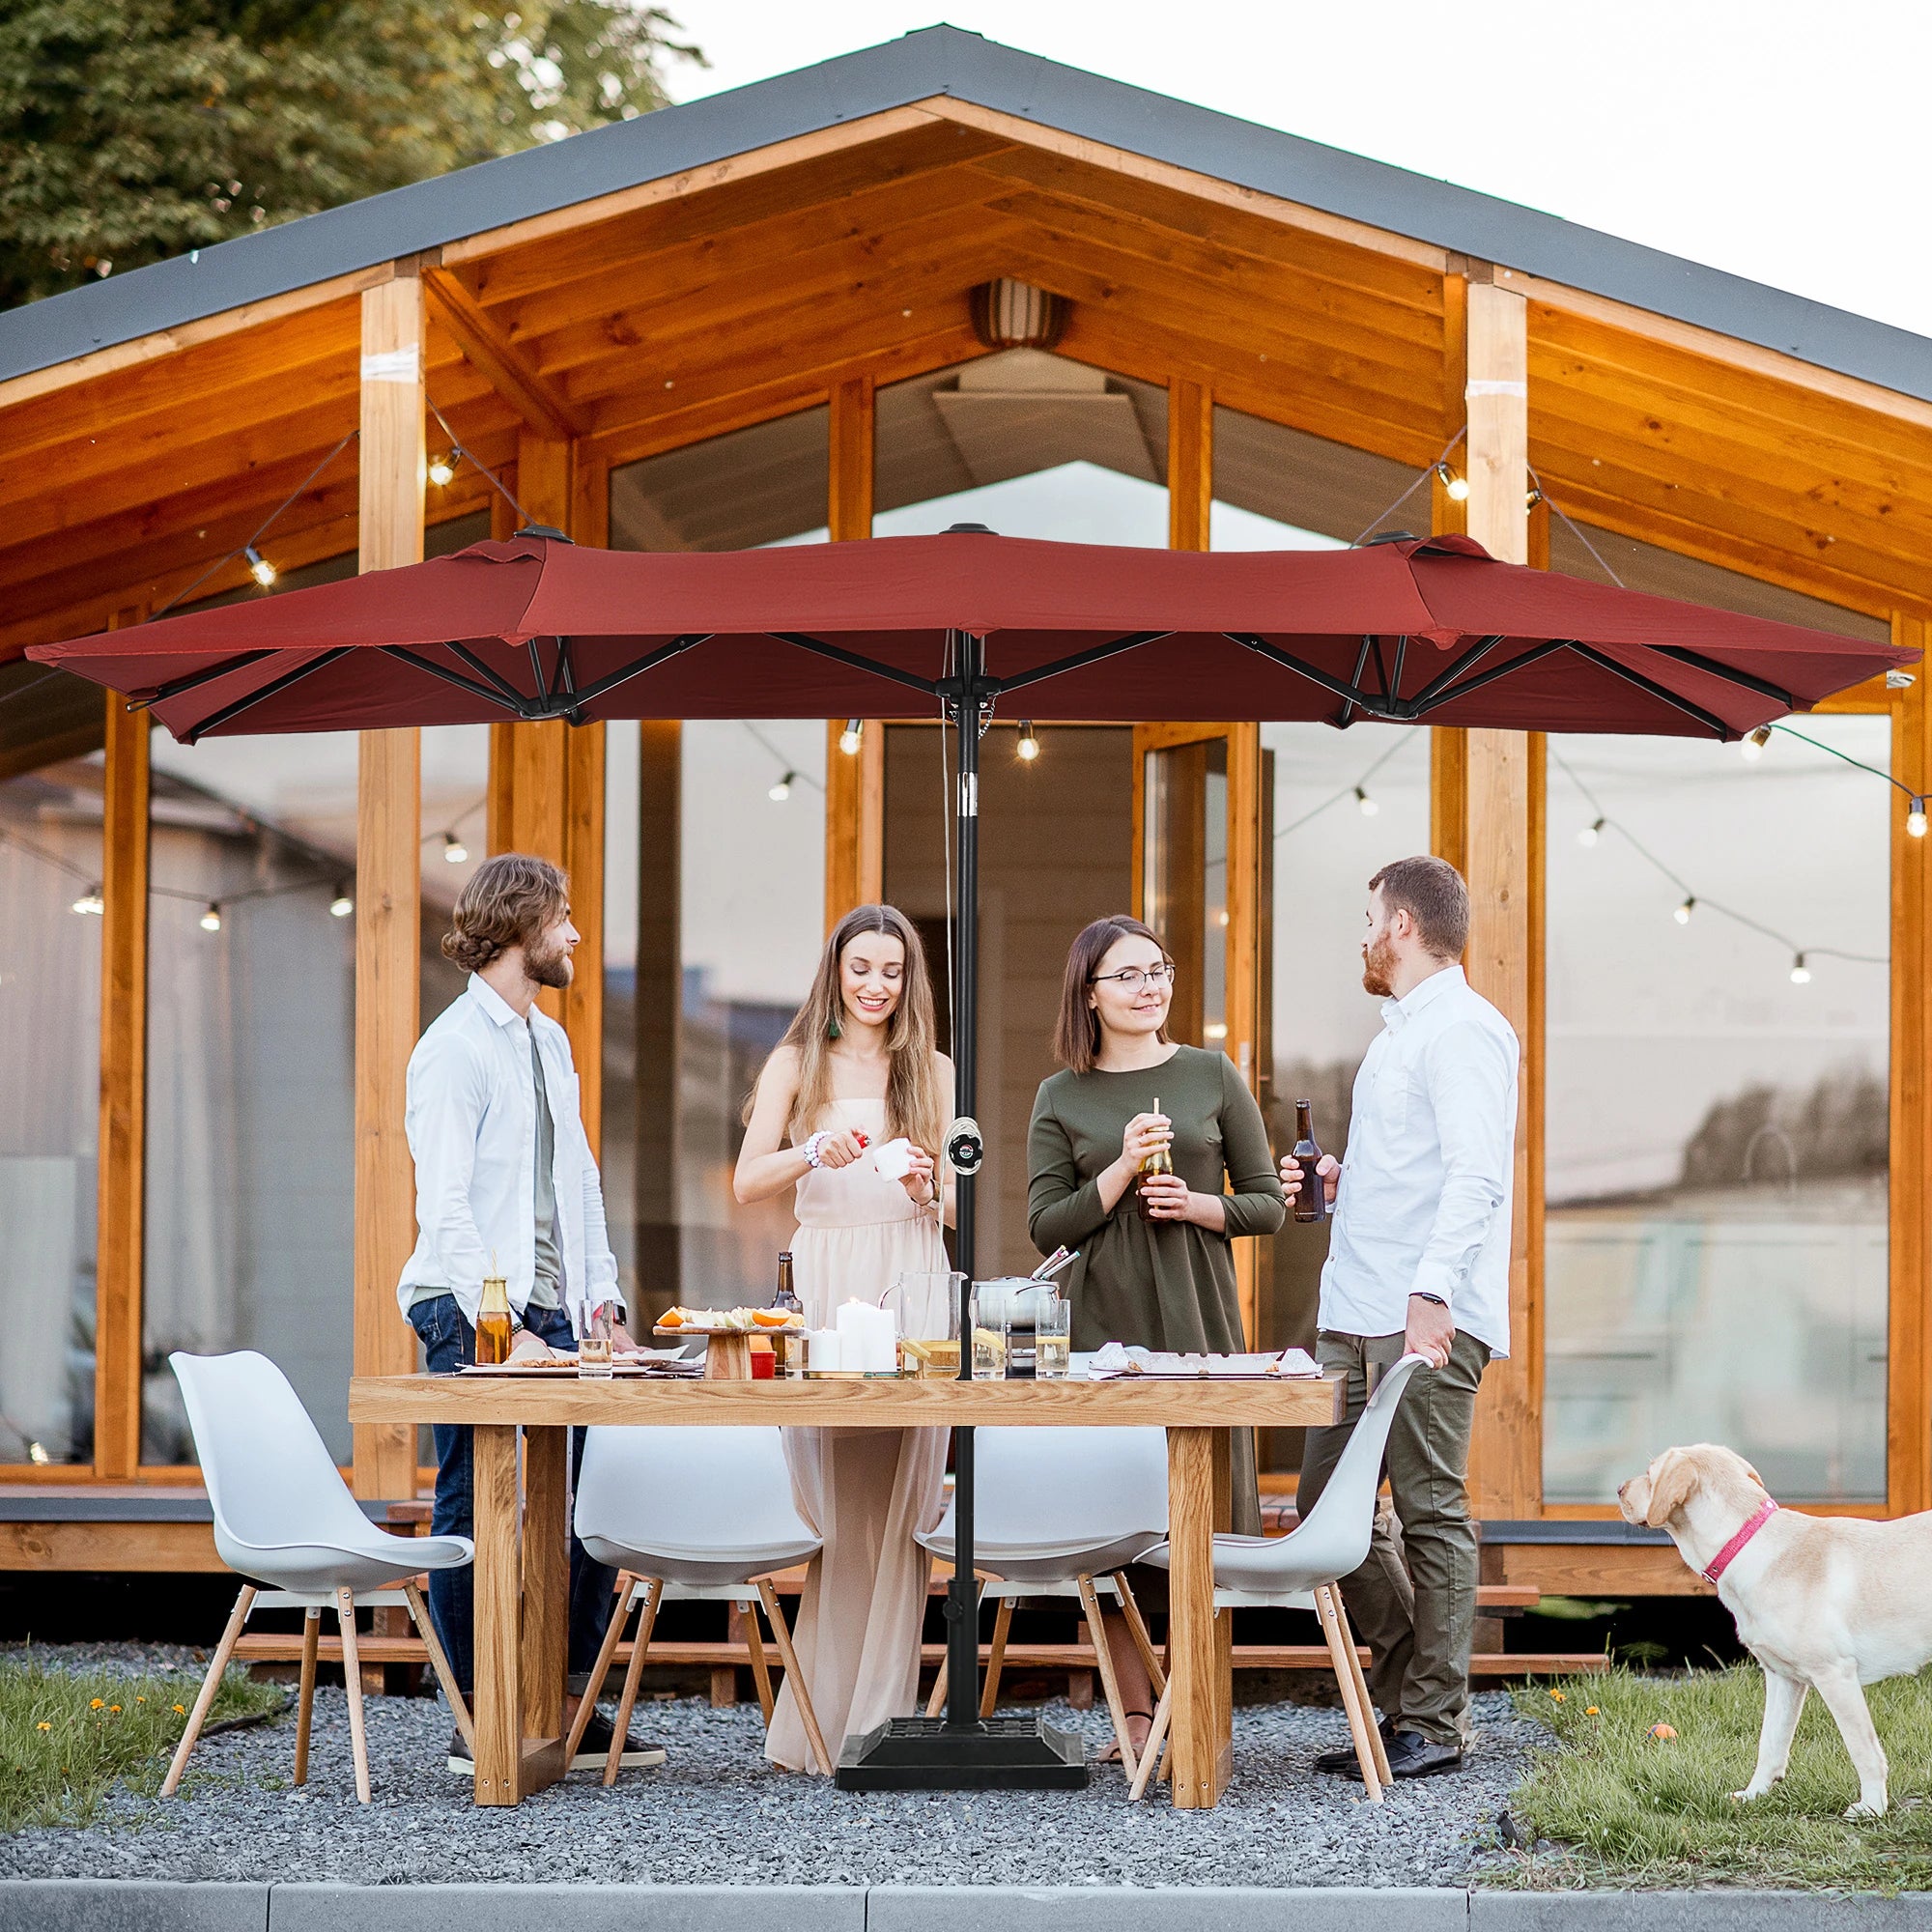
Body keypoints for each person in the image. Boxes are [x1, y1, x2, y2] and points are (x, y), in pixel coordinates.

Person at [398, 852, 661, 1777]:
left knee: (586, 1496)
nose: (577, 935)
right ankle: (480, 1712)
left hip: (552, 1314)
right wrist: (499, 1327)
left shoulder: (548, 1041)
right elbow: (448, 1209)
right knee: (478, 1495)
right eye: (564, 919)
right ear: (518, 928)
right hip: (466, 1308)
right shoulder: (452, 1049)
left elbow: (578, 1183)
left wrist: (603, 1302)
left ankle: (565, 1699)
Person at [1282, 855, 1518, 1781]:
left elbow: (1476, 1176)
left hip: (1424, 1312)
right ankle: (1414, 1688)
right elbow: (1417, 1170)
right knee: (1322, 1513)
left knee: (1428, 1507)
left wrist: (1432, 1293)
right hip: (1353, 1305)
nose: (1363, 933)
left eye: (1370, 916)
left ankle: (1435, 1721)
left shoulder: (1464, 1030)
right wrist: (1344, 1183)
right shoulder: (1398, 1036)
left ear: (1405, 927)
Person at [1028, 913, 1285, 1757]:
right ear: (1091, 996)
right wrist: (1119, 1170)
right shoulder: (1060, 1094)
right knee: (1110, 1520)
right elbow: (1045, 1226)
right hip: (1102, 1326)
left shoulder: (1211, 1074)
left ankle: (1195, 1705)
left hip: (1197, 1313)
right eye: (1130, 976)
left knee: (1196, 1517)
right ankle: (1136, 1717)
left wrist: (1198, 1205)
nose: (1150, 987)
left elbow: (1268, 1203)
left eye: (1158, 970)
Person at [735, 902, 953, 1771]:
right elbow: (751, 1180)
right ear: (836, 972)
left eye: (892, 971)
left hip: (911, 1269)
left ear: (909, 982)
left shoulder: (929, 1069)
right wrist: (811, 1154)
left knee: (900, 1506)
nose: (876, 986)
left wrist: (929, 1186)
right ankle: (825, 1720)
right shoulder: (795, 1062)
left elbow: (947, 1205)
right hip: (826, 1275)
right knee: (837, 1505)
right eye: (862, 968)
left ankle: (877, 1715)